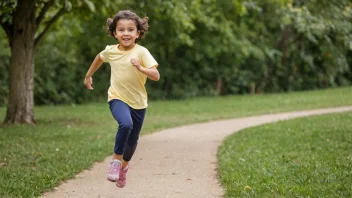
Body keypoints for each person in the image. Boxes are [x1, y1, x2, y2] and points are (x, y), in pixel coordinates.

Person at [83, 10, 160, 188]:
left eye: (131, 29)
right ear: (114, 33)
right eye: (121, 30)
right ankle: (116, 161)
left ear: (138, 33)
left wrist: (141, 68)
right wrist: (88, 76)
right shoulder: (110, 51)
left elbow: (156, 75)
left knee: (132, 141)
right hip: (117, 97)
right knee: (125, 124)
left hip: (139, 103)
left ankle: (123, 168)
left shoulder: (142, 52)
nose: (126, 33)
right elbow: (99, 58)